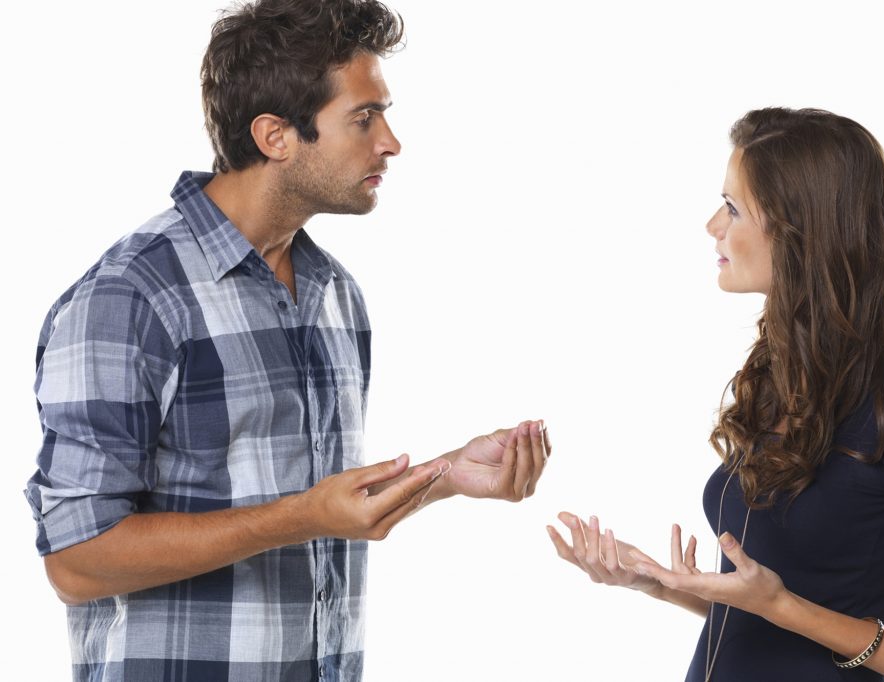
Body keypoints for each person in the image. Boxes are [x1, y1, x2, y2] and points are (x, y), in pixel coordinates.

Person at [24, 1, 551, 680]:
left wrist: (447, 475)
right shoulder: (131, 297)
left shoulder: (334, 293)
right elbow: (75, 560)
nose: (391, 141)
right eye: (364, 117)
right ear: (275, 135)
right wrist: (300, 517)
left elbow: (317, 507)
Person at [547, 108, 884, 681]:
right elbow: (766, 613)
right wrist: (660, 586)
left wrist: (781, 604)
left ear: (799, 230)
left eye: (734, 207)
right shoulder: (778, 372)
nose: (713, 224)